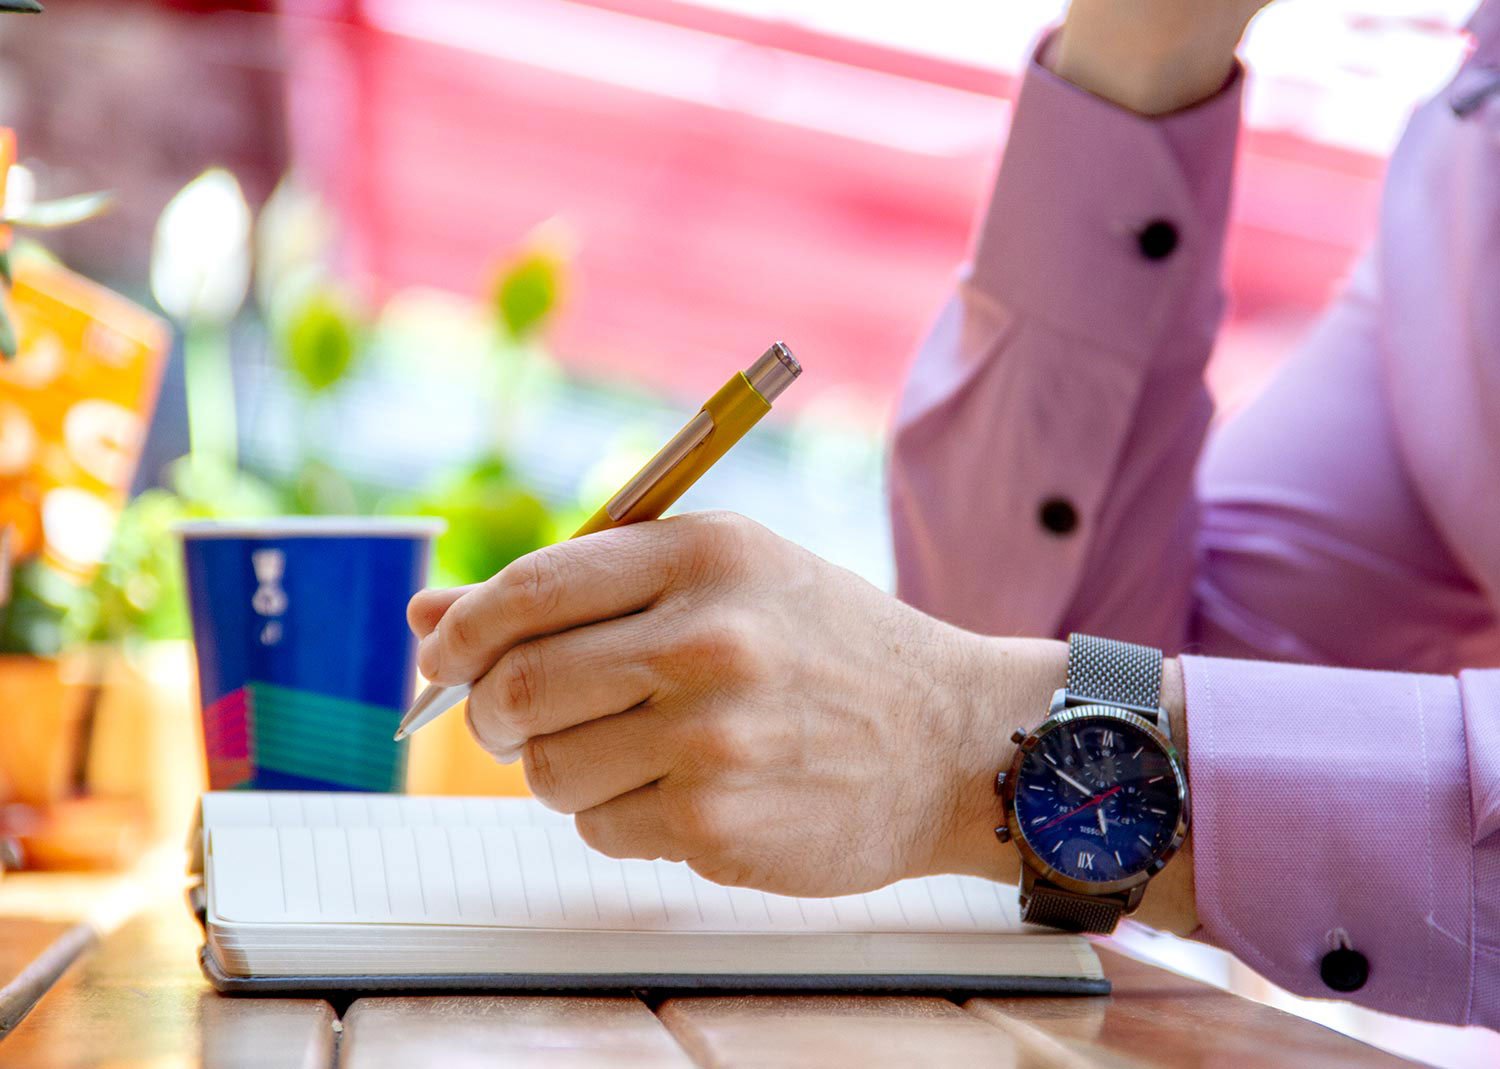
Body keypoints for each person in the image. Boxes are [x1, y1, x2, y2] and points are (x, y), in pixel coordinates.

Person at [408, 0, 1500, 1030]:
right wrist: (1137, 56)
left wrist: (957, 739)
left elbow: (1044, 722)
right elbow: (1137, 671)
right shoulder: (1465, 144)